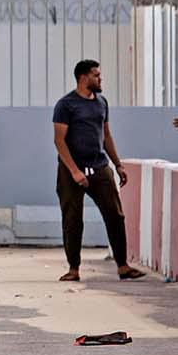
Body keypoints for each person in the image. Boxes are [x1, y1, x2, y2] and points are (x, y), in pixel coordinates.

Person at [52, 60, 143, 283]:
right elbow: (59, 141)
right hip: (72, 170)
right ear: (83, 77)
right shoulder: (66, 105)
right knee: (72, 219)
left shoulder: (102, 102)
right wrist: (74, 171)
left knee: (115, 215)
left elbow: (107, 135)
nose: (100, 79)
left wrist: (118, 164)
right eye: (96, 75)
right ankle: (74, 268)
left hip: (100, 167)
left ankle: (123, 266)